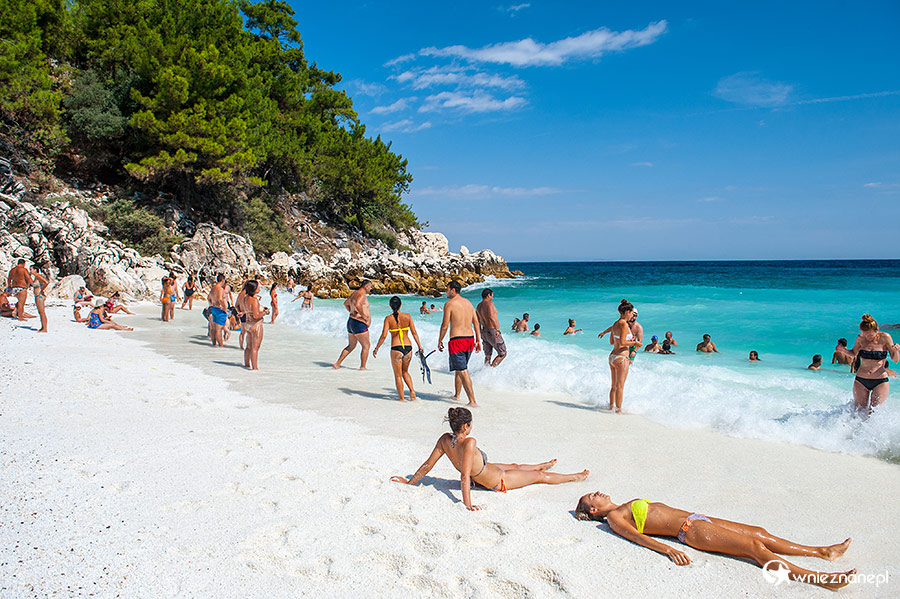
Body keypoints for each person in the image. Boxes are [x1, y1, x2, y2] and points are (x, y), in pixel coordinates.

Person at [573, 492, 854, 590]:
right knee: (755, 550)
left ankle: (822, 552)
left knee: (759, 533)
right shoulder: (614, 519)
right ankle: (820, 579)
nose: (596, 493)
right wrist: (669, 550)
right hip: (691, 531)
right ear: (594, 511)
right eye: (591, 497)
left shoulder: (624, 504)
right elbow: (637, 537)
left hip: (699, 518)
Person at [391, 408, 589, 511]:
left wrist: (410, 482)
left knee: (515, 466)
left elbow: (428, 465)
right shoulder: (469, 442)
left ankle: (542, 464)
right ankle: (575, 477)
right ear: (466, 426)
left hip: (486, 471)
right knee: (538, 477)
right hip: (497, 481)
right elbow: (464, 475)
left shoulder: (444, 439)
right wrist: (467, 504)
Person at [438, 281, 482, 406]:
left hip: (457, 340)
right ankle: (457, 395)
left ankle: (472, 401)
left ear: (452, 290)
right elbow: (476, 323)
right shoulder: (469, 303)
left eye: (447, 289)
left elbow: (445, 325)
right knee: (459, 369)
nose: (446, 292)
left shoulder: (449, 304)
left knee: (462, 370)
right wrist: (478, 340)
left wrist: (440, 339)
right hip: (470, 339)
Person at [373, 296, 425, 401]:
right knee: (405, 372)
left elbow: (383, 335)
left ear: (390, 306)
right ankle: (412, 391)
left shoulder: (388, 319)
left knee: (398, 375)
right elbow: (414, 333)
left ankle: (401, 399)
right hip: (408, 347)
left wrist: (376, 348)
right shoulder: (408, 316)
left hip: (396, 348)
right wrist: (420, 346)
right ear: (401, 305)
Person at [849, 314, 899, 416]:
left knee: (874, 414)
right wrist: (843, 350)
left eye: (870, 335)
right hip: (861, 380)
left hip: (880, 381)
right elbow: (853, 353)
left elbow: (895, 360)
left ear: (877, 330)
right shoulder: (860, 338)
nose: (868, 337)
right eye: (865, 334)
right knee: (858, 412)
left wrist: (896, 350)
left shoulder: (885, 338)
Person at [607, 300, 641, 413]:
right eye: (631, 313)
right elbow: (622, 343)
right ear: (627, 312)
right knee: (620, 387)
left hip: (612, 356)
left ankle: (611, 407)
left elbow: (612, 341)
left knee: (613, 386)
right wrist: (635, 343)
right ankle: (618, 411)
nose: (632, 315)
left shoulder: (616, 323)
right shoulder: (623, 324)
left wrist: (629, 340)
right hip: (621, 357)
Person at [333, 280, 373, 370]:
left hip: (351, 322)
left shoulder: (354, 293)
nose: (371, 288)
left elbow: (346, 304)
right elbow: (358, 305)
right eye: (370, 286)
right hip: (359, 324)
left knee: (351, 346)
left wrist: (352, 312)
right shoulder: (362, 295)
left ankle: (337, 364)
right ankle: (363, 367)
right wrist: (364, 317)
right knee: (366, 346)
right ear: (366, 286)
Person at [237, 279, 268, 370]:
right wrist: (265, 312)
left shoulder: (245, 298)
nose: (259, 288)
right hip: (256, 325)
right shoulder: (254, 300)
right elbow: (256, 316)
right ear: (254, 289)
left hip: (247, 324)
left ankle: (247, 365)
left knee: (248, 347)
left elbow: (246, 310)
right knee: (255, 348)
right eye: (258, 286)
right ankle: (255, 368)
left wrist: (261, 308)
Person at [476, 288, 507, 367]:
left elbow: (477, 321)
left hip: (484, 332)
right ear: (488, 295)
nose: (492, 297)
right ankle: (490, 371)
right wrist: (497, 330)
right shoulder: (490, 304)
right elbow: (491, 317)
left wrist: (480, 332)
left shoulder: (478, 306)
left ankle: (485, 371)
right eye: (492, 295)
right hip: (492, 331)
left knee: (488, 355)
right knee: (502, 353)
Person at [207, 274, 229, 347]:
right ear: (222, 280)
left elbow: (208, 298)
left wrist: (212, 303)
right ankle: (221, 346)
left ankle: (214, 344)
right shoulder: (220, 289)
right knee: (218, 329)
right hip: (219, 309)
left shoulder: (213, 288)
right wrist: (224, 308)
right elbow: (220, 299)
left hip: (213, 308)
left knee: (213, 328)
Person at [29, 266, 48, 333]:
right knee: (40, 312)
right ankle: (43, 327)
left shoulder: (38, 276)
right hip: (37, 296)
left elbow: (46, 282)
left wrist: (42, 290)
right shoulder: (35, 277)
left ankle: (45, 328)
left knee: (42, 312)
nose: (30, 270)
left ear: (35, 270)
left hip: (39, 296)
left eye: (31, 269)